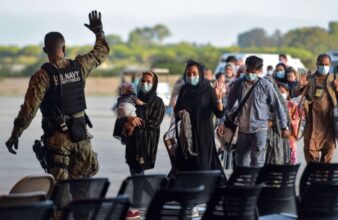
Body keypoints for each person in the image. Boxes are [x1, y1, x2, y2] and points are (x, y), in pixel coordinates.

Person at [5, 10, 109, 181]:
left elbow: (29, 110)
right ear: (64, 48)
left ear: (45, 49)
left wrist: (16, 134)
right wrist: (99, 32)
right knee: (82, 189)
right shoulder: (80, 66)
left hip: (57, 142)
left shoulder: (42, 75)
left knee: (60, 193)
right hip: (81, 137)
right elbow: (101, 51)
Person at [219, 56, 290, 167]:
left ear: (260, 71)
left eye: (253, 72)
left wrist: (284, 127)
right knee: (241, 161)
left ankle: (254, 184)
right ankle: (244, 183)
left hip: (260, 129)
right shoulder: (238, 84)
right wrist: (222, 121)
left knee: (257, 161)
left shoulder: (266, 85)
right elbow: (229, 107)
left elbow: (277, 106)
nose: (249, 74)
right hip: (242, 130)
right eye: (247, 71)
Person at [118, 70, 165, 218]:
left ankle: (135, 209)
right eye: (143, 81)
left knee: (138, 174)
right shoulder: (132, 99)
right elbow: (121, 117)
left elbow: (154, 123)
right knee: (136, 173)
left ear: (154, 84)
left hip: (146, 143)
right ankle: (158, 199)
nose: (145, 84)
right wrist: (128, 120)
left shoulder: (157, 102)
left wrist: (135, 120)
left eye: (148, 82)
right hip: (132, 142)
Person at [174, 60, 226, 178]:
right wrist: (180, 112)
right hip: (187, 139)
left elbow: (219, 113)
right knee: (186, 171)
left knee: (203, 169)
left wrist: (219, 98)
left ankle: (204, 194)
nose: (191, 76)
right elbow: (177, 111)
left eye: (194, 74)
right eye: (188, 74)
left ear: (200, 74)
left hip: (203, 137)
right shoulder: (184, 90)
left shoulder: (207, 90)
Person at [301, 54, 338, 163]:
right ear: (317, 64)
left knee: (327, 157)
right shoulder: (309, 79)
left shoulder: (336, 78)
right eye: (321, 64)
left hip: (329, 125)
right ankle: (314, 177)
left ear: (330, 65)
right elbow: (295, 95)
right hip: (312, 124)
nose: (324, 66)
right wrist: (300, 86)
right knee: (310, 154)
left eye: (326, 64)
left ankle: (323, 178)